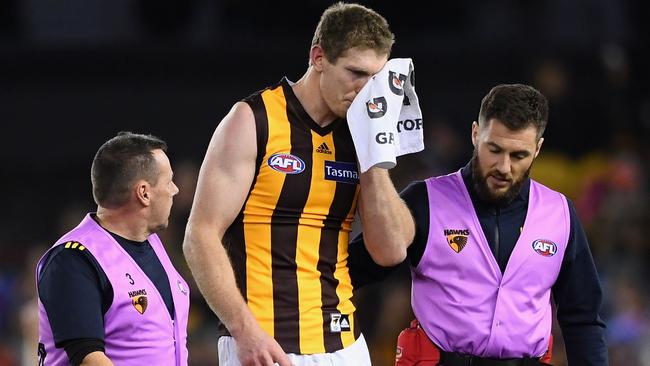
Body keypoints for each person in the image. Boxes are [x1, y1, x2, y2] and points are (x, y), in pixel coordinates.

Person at [182, 2, 414, 366]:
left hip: (346, 344)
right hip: (265, 344)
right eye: (355, 73)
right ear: (318, 57)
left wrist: (374, 152)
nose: (364, 90)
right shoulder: (253, 120)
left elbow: (392, 251)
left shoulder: (362, 133)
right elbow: (200, 234)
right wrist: (243, 330)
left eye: (374, 78)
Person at [350, 84, 608, 365]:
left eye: (518, 155)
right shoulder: (425, 201)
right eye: (494, 149)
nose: (503, 167)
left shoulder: (560, 214)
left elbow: (582, 318)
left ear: (538, 149)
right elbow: (351, 271)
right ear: (475, 134)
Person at [37, 132, 190, 366]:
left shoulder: (153, 245)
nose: (175, 190)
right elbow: (88, 358)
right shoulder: (73, 260)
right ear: (144, 193)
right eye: (169, 181)